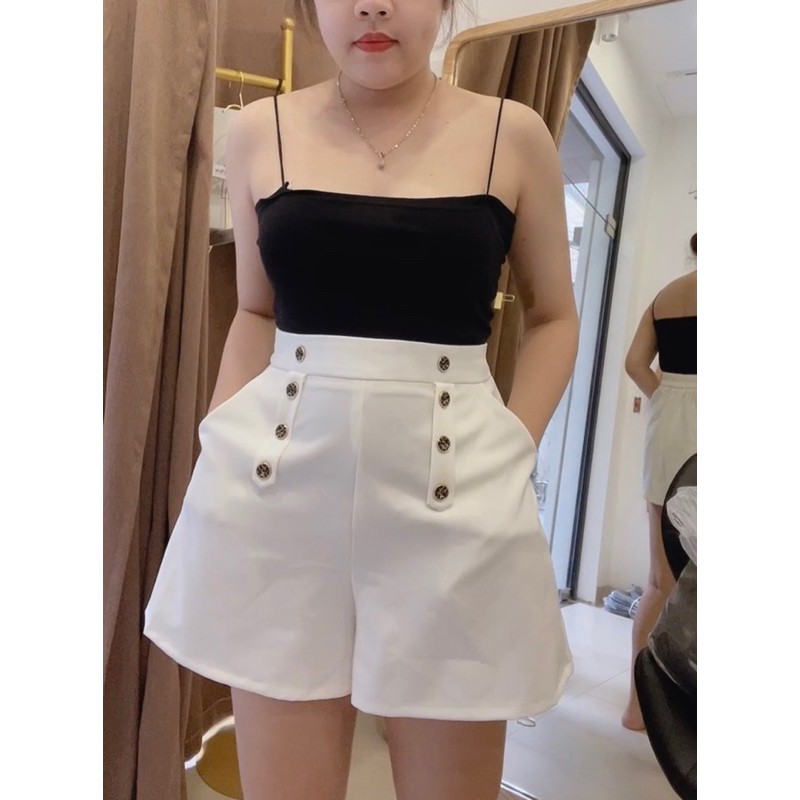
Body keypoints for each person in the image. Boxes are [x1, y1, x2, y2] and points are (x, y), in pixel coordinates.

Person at [144, 1, 579, 796]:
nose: (372, 5)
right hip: (279, 491)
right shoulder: (260, 131)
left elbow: (555, 317)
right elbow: (256, 311)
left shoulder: (511, 134)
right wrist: (220, 441)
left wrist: (513, 449)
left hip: (457, 499)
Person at [621, 233, 697, 731]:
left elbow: (634, 363)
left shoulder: (666, 295)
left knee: (659, 581)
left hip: (669, 429)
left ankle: (638, 708)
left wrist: (669, 396)